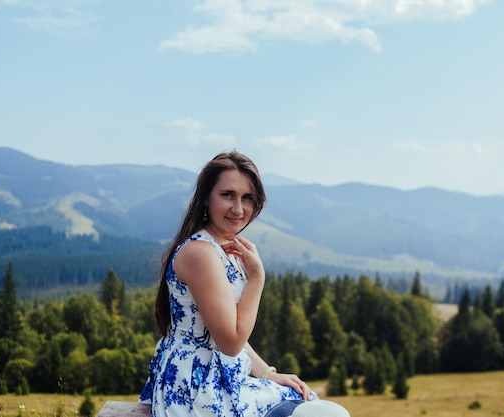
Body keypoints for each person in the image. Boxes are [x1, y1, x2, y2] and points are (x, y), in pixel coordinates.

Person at [139, 151, 349, 417]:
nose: (238, 209)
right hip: (198, 387)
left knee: (314, 404)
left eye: (247, 198)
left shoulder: (221, 247)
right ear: (206, 196)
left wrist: (268, 373)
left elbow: (224, 328)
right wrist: (257, 278)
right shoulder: (201, 253)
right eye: (228, 195)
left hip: (223, 376)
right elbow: (230, 342)